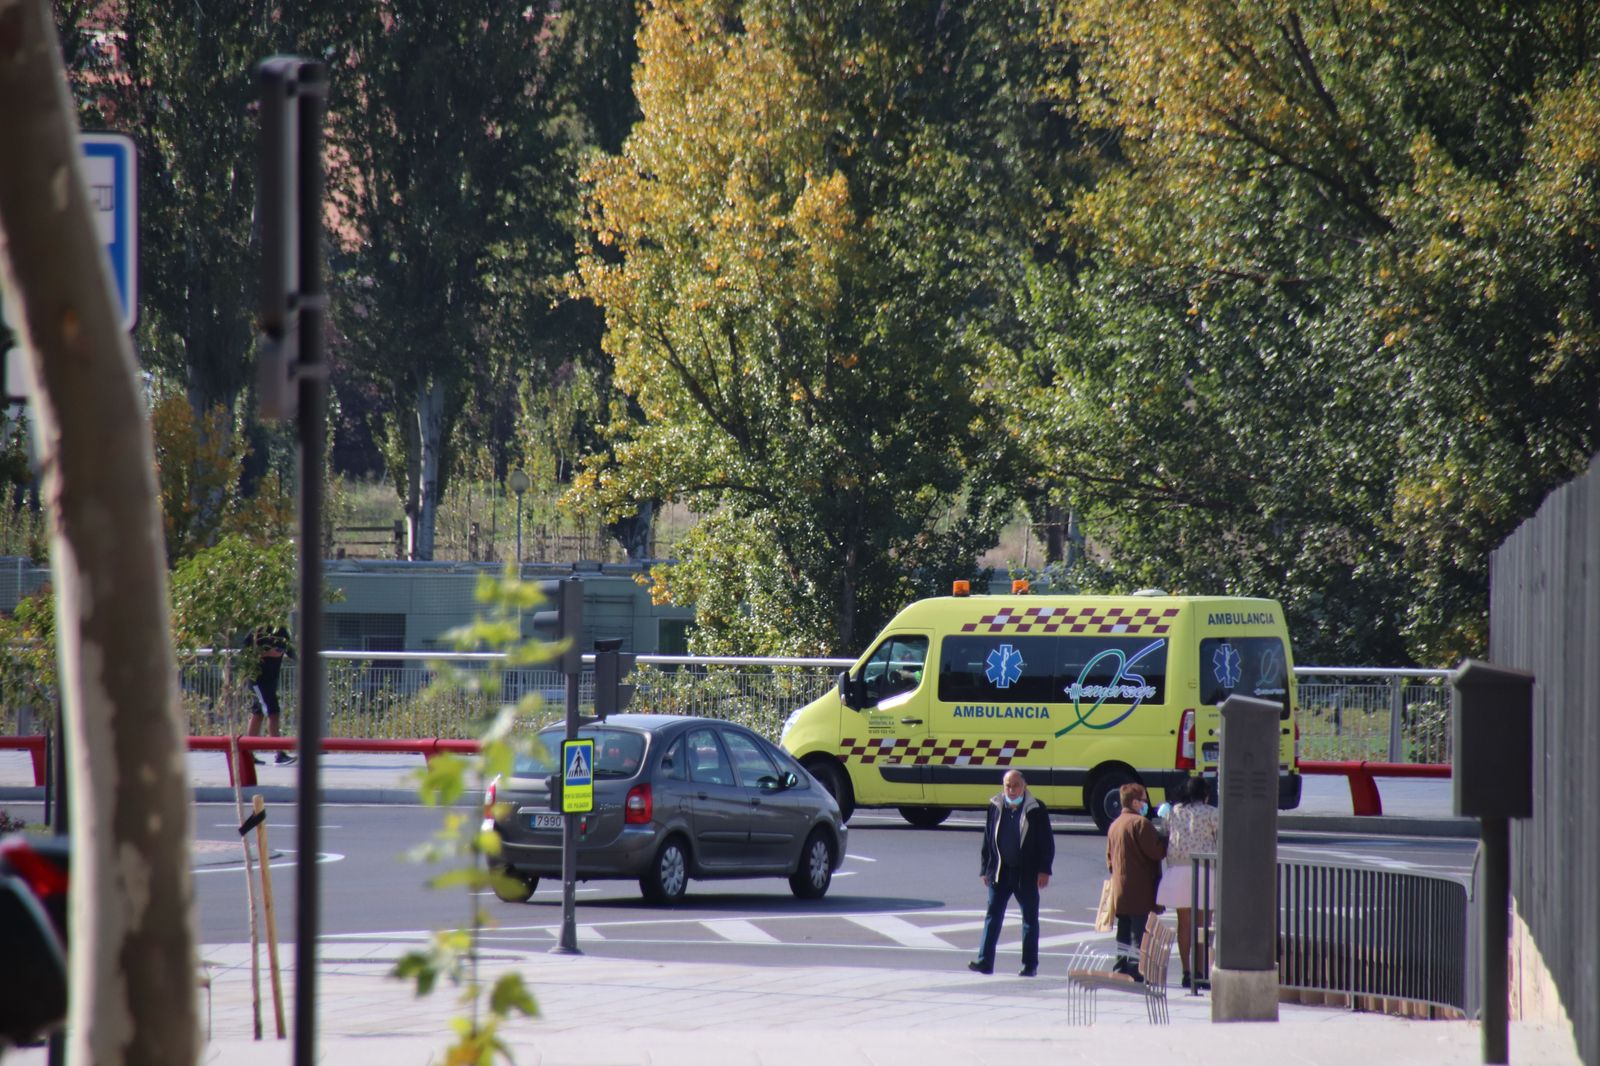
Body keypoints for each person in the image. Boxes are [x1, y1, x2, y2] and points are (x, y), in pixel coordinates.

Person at [969, 769, 1054, 977]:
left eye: (1016, 785)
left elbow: (1046, 842)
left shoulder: (1036, 809)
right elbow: (988, 839)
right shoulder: (996, 806)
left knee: (1029, 919)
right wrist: (985, 868)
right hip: (1001, 871)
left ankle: (1029, 965)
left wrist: (1044, 870)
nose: (1011, 789)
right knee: (993, 916)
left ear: (1024, 786)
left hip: (1026, 872)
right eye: (1008, 785)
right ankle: (985, 961)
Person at [1155, 775, 1219, 989]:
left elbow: (1164, 833)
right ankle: (1201, 971)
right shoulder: (1212, 813)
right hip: (1205, 868)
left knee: (1184, 924)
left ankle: (1186, 971)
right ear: (1205, 794)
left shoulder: (1174, 812)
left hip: (1179, 870)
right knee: (1204, 926)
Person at [1105, 781, 1166, 980]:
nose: (1145, 804)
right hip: (1140, 888)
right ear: (1134, 802)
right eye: (1143, 800)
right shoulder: (1140, 824)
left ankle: (1120, 967)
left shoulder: (1115, 825)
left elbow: (1109, 858)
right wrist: (1165, 836)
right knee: (1139, 934)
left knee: (1123, 931)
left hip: (1121, 888)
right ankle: (1136, 971)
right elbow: (1156, 851)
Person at [245, 626, 295, 765]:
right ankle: (279, 754)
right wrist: (266, 653)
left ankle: (248, 754)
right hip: (258, 679)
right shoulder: (255, 630)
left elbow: (290, 651)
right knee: (273, 712)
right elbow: (244, 653)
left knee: (258, 714)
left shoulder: (282, 631)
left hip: (271, 679)